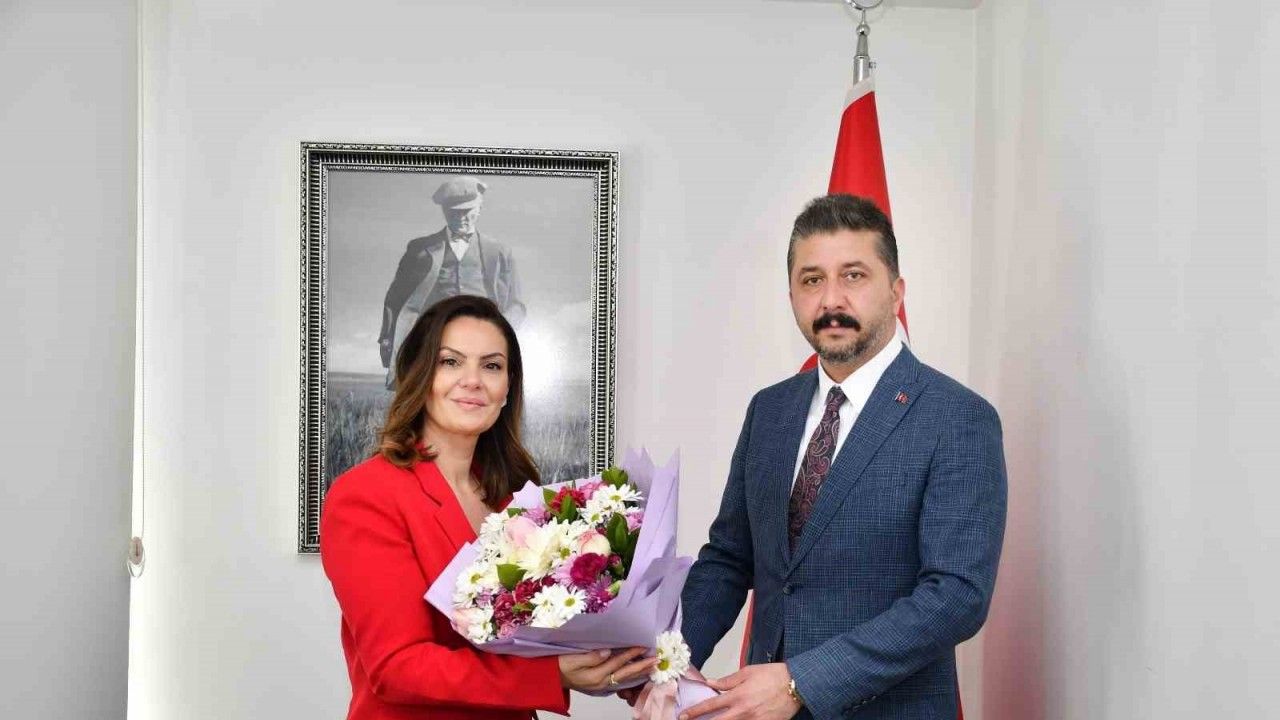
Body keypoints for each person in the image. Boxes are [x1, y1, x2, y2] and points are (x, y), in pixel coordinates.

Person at [676, 195, 1008, 720]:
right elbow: (729, 558)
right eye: (812, 280)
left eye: (854, 276)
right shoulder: (769, 410)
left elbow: (956, 596)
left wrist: (800, 683)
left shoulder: (957, 417)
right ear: (791, 295)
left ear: (896, 292)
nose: (831, 299)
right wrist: (668, 662)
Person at [322, 294, 652, 720]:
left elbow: (542, 627)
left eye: (492, 366)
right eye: (450, 362)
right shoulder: (366, 495)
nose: (473, 380)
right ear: (418, 375)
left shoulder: (513, 499)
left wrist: (617, 661)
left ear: (507, 388)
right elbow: (397, 666)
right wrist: (550, 675)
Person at [379, 176, 527, 389]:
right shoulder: (419, 249)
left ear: (480, 208)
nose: (461, 218)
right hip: (433, 340)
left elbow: (516, 304)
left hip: (482, 344)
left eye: (467, 211)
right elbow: (395, 297)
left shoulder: (499, 252)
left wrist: (500, 333)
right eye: (453, 212)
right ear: (444, 211)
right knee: (429, 395)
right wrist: (386, 337)